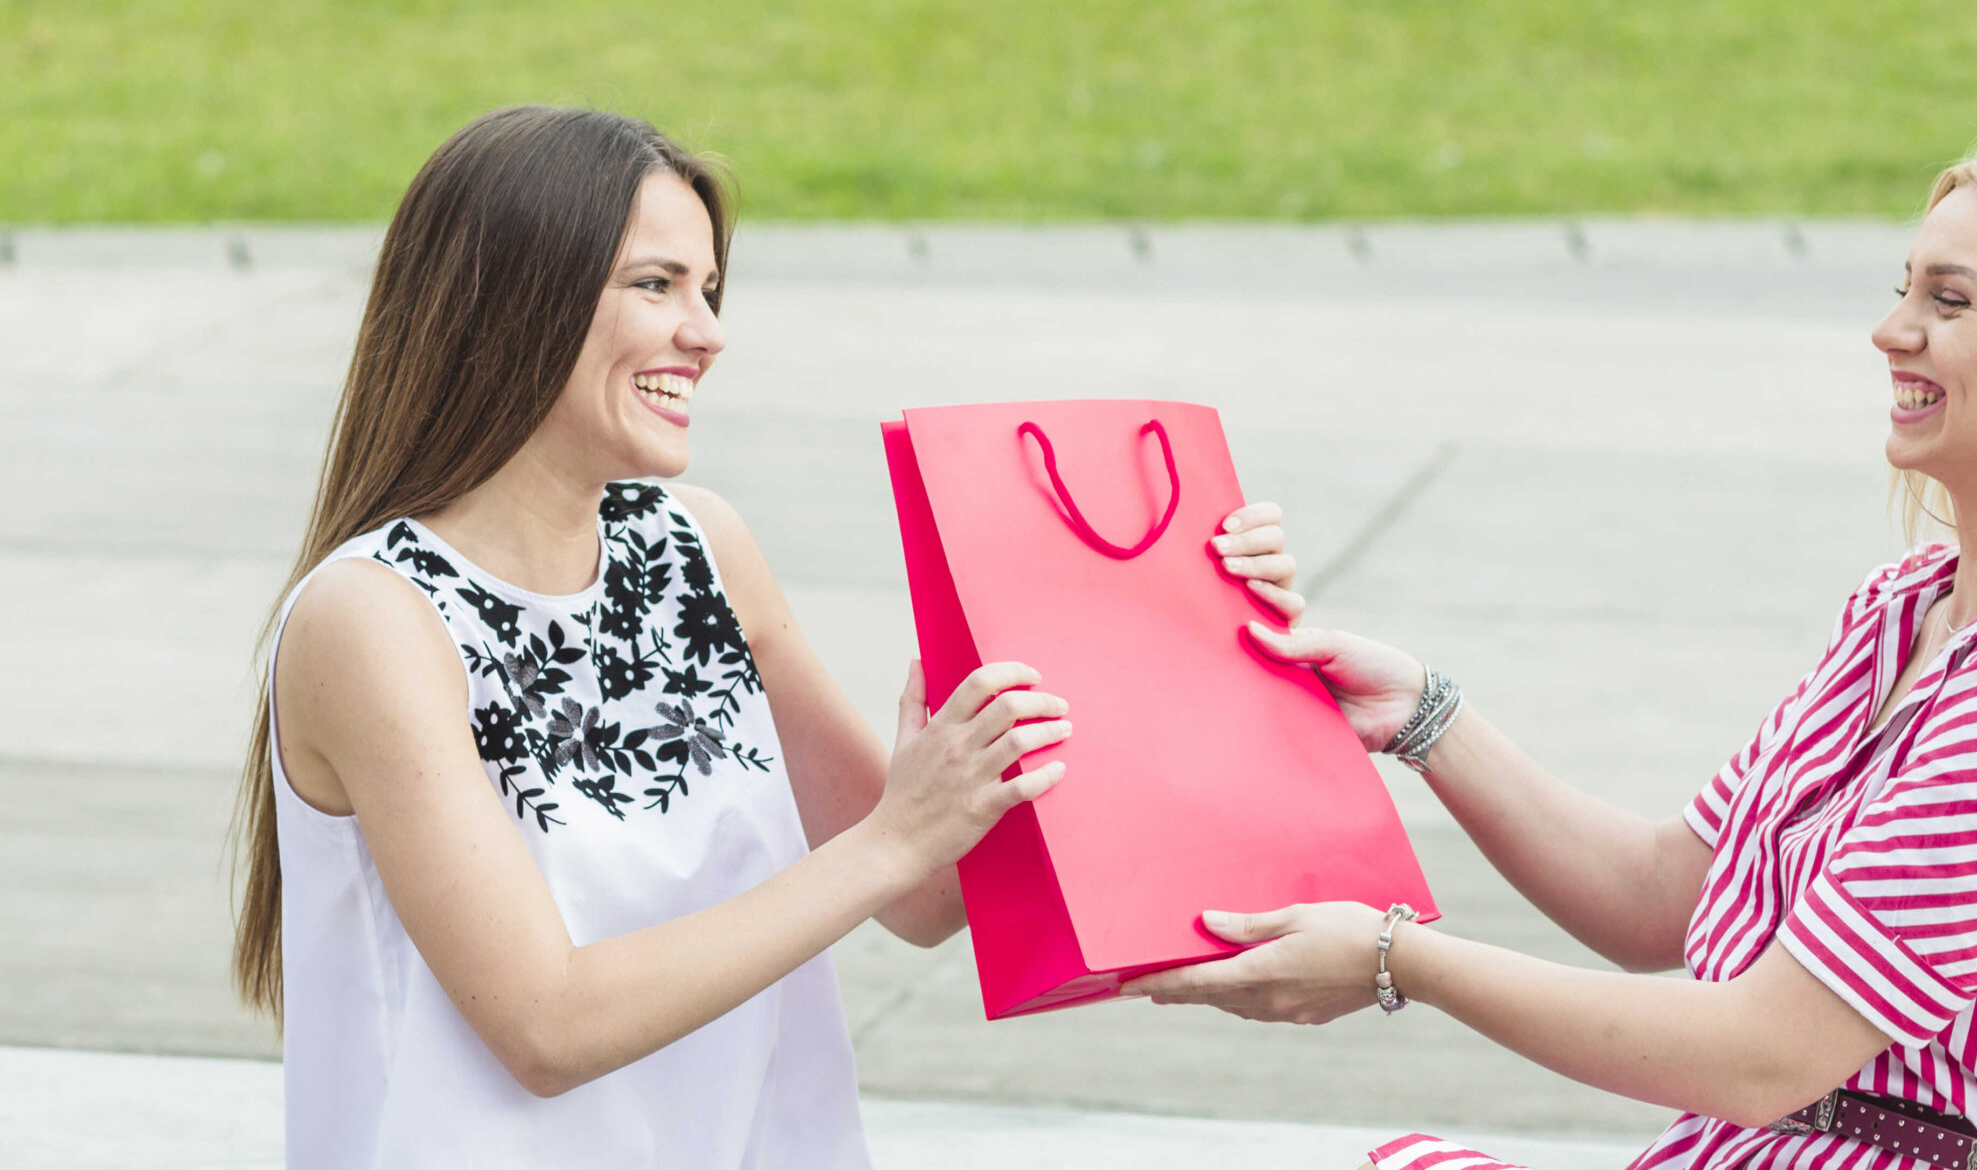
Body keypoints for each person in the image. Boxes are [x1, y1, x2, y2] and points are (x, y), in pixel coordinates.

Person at [1129, 126, 1977, 1170]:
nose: (1890, 331)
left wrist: (1395, 958)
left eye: (1947, 301)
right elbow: (1665, 897)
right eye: (1901, 288)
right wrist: (1423, 716)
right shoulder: (1904, 615)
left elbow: (1763, 1055)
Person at [224, 105, 1299, 1167]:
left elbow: (923, 895)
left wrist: (1164, 616)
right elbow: (545, 1025)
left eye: (709, 289)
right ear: (514, 298)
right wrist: (895, 836)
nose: (707, 331)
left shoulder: (697, 547)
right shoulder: (373, 617)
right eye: (655, 285)